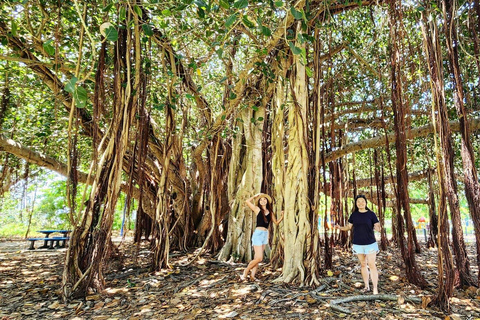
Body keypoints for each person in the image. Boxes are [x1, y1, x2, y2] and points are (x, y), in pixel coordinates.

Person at [335, 194, 381, 294]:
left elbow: (377, 226)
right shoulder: (354, 215)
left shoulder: (371, 214)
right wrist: (340, 228)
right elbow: (349, 227)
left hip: (370, 243)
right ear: (356, 204)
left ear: (365, 203)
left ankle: (375, 288)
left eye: (362, 201)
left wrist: (378, 228)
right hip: (358, 243)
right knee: (363, 264)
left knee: (372, 265)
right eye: (358, 202)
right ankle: (366, 286)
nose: (360, 203)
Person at [240, 193, 283, 281]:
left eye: (264, 199)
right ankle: (246, 271)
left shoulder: (270, 212)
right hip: (258, 234)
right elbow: (247, 201)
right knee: (260, 258)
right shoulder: (257, 209)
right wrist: (255, 196)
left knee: (257, 258)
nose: (263, 201)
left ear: (267, 201)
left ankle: (252, 276)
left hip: (265, 235)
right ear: (259, 202)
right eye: (261, 200)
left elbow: (276, 223)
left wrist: (282, 216)